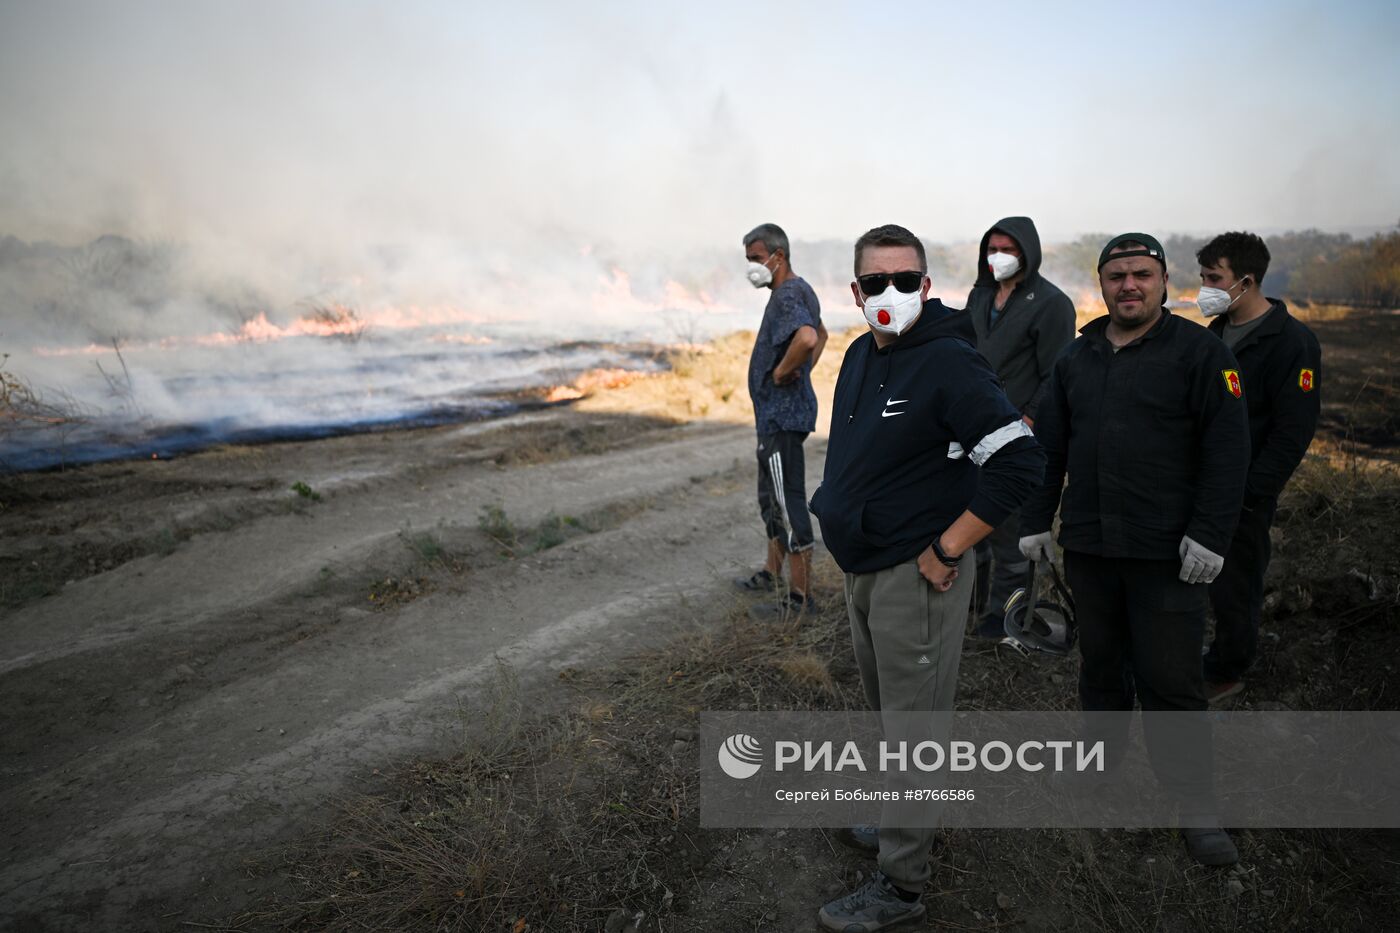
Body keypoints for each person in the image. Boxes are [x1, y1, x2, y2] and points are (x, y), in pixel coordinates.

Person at [809, 224, 1044, 931]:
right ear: (855, 291)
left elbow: (1019, 463)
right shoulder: (857, 354)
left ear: (927, 286)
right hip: (864, 570)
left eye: (904, 281)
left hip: (919, 576)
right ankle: (897, 821)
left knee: (915, 730)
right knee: (891, 716)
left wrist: (948, 548)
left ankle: (901, 884)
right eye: (875, 282)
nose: (890, 294)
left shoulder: (949, 362)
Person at [1018, 233, 1250, 866]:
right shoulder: (1078, 356)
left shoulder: (1200, 353)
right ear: (1102, 284)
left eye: (1141, 274)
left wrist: (1209, 533)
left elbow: (1229, 452)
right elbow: (1049, 448)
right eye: (1116, 275)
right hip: (1091, 546)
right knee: (1101, 669)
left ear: (1162, 281)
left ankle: (1195, 806)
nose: (1129, 286)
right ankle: (1099, 770)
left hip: (1167, 553)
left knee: (1172, 681)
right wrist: (1038, 520)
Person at [1195, 232, 1321, 702]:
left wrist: (1252, 492)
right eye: (1203, 276)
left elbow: (1293, 431)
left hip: (1245, 491)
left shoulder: (1292, 343)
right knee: (1200, 576)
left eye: (1214, 278)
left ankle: (1227, 669)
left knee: (1237, 582)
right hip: (1204, 481)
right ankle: (1197, 654)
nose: (1204, 287)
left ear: (1246, 282)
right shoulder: (1218, 333)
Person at [963, 216, 1078, 637]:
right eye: (992, 249)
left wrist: (1026, 420)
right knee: (968, 522)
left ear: (1028, 253)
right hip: (972, 431)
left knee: (1009, 532)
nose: (999, 257)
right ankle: (968, 605)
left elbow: (1055, 374)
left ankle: (1007, 618)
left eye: (1008, 250)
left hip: (1016, 436)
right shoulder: (980, 296)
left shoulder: (1052, 304)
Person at [735, 223, 828, 614]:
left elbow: (807, 338)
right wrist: (802, 371)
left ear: (778, 256)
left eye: (756, 259)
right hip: (776, 419)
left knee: (787, 502)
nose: (752, 267)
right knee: (769, 498)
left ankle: (800, 597)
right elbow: (822, 334)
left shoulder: (788, 292)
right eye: (749, 260)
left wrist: (781, 373)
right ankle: (772, 573)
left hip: (781, 418)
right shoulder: (798, 289)